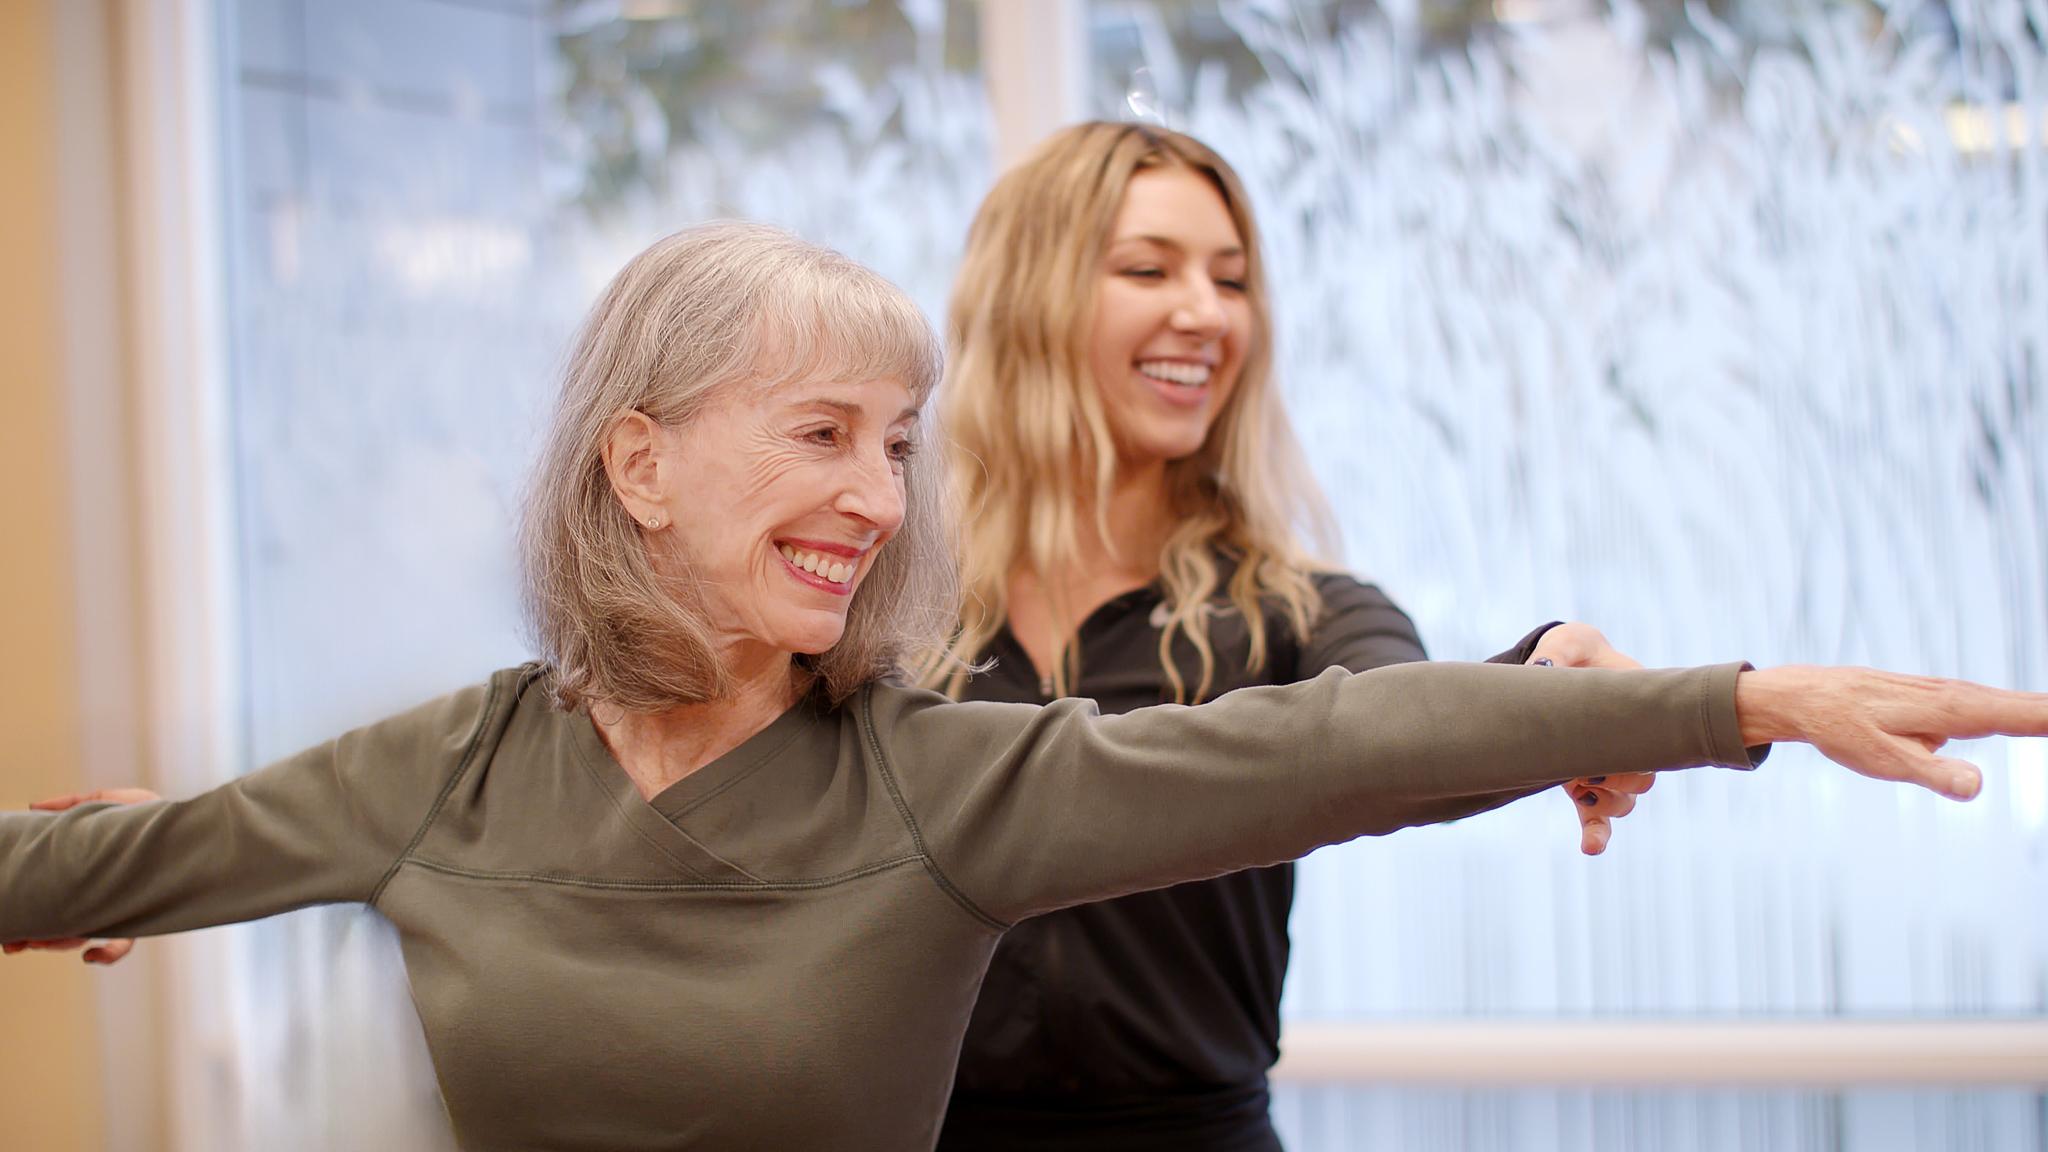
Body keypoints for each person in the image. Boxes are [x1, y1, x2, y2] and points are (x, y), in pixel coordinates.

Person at [1, 221, 2038, 1152]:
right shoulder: (448, 768)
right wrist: (115, 867)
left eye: (896, 446)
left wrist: (1727, 697)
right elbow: (60, 869)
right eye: (820, 437)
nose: (880, 499)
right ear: (638, 461)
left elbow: (1337, 739)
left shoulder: (935, 781)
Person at [926, 121, 1644, 1151]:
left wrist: (1544, 682)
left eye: (1231, 280)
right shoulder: (888, 612)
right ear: (1025, 298)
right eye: (1146, 268)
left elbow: (1407, 726)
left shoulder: (1295, 611)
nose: (1204, 314)